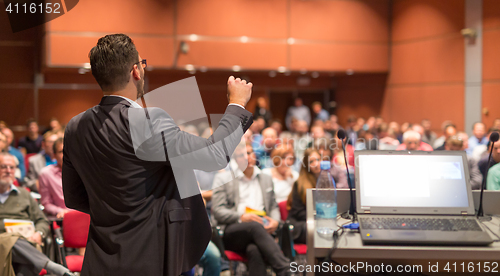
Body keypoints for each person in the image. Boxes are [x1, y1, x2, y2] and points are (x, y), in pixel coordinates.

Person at [62, 34, 254, 276]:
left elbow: (74, 197)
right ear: (135, 71)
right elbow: (215, 154)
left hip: (100, 259)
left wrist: (115, 211)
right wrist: (236, 105)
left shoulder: (75, 126)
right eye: (142, 64)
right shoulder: (145, 121)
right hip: (150, 256)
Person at [211, 144, 290, 276]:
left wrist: (275, 222)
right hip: (233, 231)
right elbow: (218, 211)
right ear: (235, 159)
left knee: (253, 249)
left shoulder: (265, 179)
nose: (248, 157)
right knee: (254, 226)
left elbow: (273, 206)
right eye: (242, 155)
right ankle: (286, 270)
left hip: (261, 231)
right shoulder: (223, 179)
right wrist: (241, 217)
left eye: (250, 153)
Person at [0, 152, 74, 276]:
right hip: (1, 240)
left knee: (22, 253)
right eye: (3, 167)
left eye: (11, 167)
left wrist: (39, 233)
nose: (8, 171)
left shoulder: (24, 194)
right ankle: (51, 266)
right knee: (10, 242)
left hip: (27, 241)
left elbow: (42, 220)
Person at [286, 148, 322, 244]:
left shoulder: (328, 180)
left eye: (318, 159)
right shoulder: (300, 183)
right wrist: (319, 218)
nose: (316, 164)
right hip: (301, 224)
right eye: (311, 161)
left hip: (318, 221)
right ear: (306, 166)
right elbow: (298, 212)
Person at [38, 138, 68, 218]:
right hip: (62, 217)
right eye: (61, 152)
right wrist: (61, 211)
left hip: (84, 215)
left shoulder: (82, 171)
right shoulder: (46, 174)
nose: (66, 154)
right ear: (54, 155)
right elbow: (46, 204)